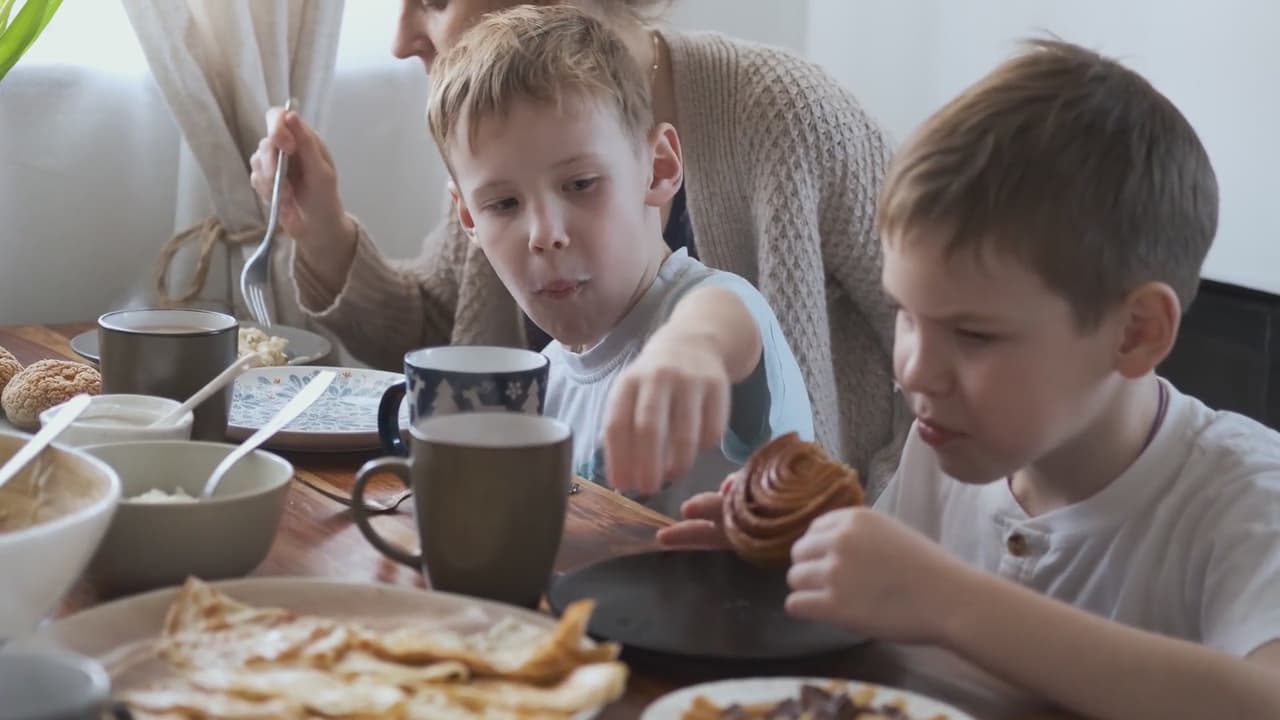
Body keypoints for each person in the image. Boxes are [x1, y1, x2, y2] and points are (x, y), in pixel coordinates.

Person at [660, 38, 1280, 719]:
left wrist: (948, 601)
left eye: (975, 335)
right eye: (906, 314)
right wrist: (799, 567)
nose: (915, 369)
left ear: (1134, 333)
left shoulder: (1244, 500)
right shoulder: (944, 446)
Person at [248, 0, 905, 495]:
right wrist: (324, 233)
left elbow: (954, 352)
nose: (399, 39)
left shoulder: (785, 114)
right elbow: (447, 342)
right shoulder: (510, 145)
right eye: (502, 206)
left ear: (659, 166)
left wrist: (871, 549)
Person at [422, 4, 813, 506]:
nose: (544, 234)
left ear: (658, 168)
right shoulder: (544, 384)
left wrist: (687, 348)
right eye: (503, 204)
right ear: (469, 219)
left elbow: (724, 322)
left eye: (581, 184)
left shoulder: (711, 308)